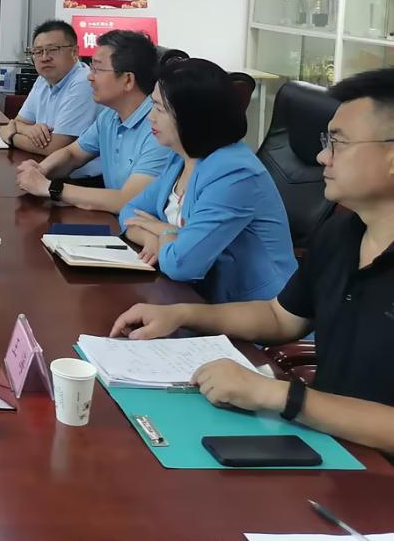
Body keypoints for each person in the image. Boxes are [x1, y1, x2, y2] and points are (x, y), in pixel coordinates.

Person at [109, 67, 394, 454]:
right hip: (329, 445)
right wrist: (181, 314)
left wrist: (278, 395)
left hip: (370, 466)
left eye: (339, 143)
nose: (322, 156)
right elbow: (280, 317)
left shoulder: (233, 170)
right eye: (326, 141)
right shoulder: (341, 235)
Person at [118, 58, 296, 302]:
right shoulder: (181, 156)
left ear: (192, 116)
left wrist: (164, 230)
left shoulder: (234, 174)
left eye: (160, 109)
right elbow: (129, 211)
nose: (151, 117)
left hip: (255, 311)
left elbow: (181, 265)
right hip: (193, 296)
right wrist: (151, 237)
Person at [16, 30, 171, 213]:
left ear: (128, 80)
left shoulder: (158, 128)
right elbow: (73, 154)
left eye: (97, 69)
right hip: (114, 219)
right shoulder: (110, 116)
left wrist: (49, 188)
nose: (89, 76)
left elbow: (128, 200)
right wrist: (40, 170)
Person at [0, 20, 99, 170]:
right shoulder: (43, 80)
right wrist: (27, 129)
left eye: (53, 50)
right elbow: (18, 121)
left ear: (74, 52)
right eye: (38, 51)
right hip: (45, 168)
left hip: (79, 178)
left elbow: (55, 147)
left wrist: (10, 136)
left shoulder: (84, 82)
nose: (44, 57)